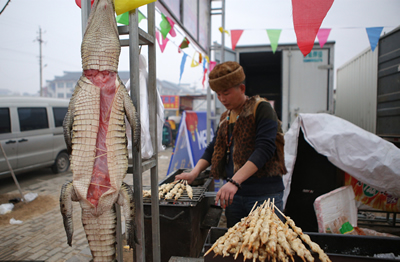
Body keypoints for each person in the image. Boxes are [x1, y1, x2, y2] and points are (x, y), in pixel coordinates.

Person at [175, 61, 287, 227]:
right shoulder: (226, 117)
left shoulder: (261, 108)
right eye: (218, 94)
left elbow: (265, 149)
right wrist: (194, 172)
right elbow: (213, 148)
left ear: (241, 89)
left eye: (225, 93)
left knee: (267, 247)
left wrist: (234, 182)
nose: (221, 99)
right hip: (235, 197)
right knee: (236, 247)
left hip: (263, 195)